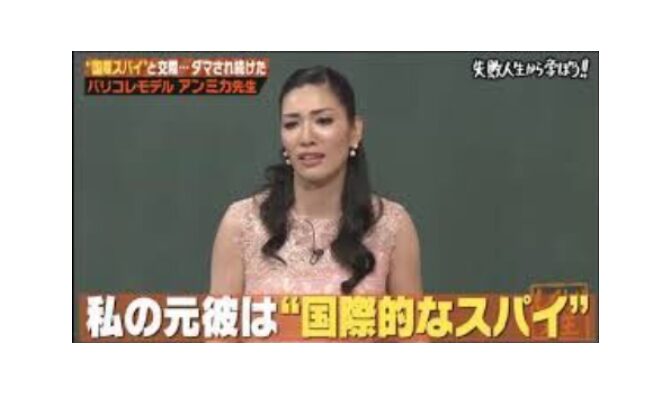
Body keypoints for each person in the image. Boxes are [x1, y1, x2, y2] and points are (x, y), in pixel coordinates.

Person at [210, 65, 422, 296]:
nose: (306, 138)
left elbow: (412, 319)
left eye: (323, 121)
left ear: (355, 130)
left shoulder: (392, 226)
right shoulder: (241, 224)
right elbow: (220, 317)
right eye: (292, 124)